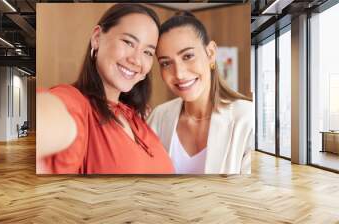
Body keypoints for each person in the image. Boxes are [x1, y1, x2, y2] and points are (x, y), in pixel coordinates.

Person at [36, 4, 174, 174]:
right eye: (128, 42)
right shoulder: (76, 104)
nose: (136, 60)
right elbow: (49, 118)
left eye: (147, 52)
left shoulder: (134, 116)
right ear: (97, 38)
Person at [147, 12, 254, 174]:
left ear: (210, 53)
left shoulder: (247, 117)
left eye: (188, 56)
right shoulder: (159, 117)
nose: (179, 74)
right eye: (166, 63)